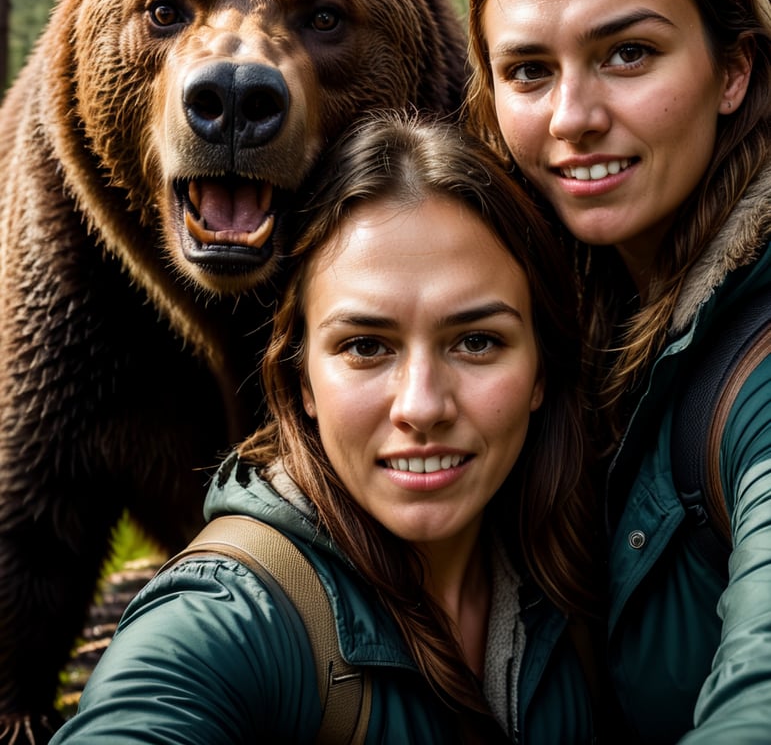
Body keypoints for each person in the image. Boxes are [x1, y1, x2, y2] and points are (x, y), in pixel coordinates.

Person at [50, 111, 599, 744]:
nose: (421, 407)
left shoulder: (572, 577)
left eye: (477, 341)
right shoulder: (230, 615)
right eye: (366, 347)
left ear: (540, 370)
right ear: (303, 380)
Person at [465, 0, 771, 744]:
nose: (572, 117)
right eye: (527, 70)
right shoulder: (533, 300)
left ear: (732, 73)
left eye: (627, 54)